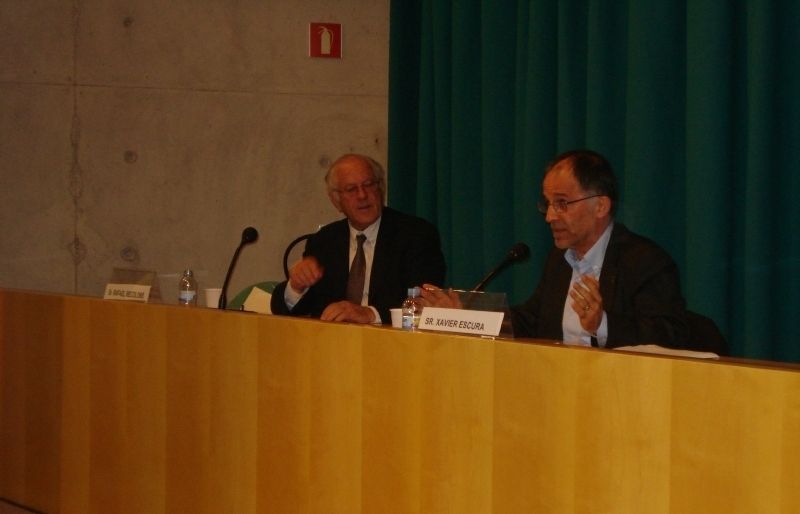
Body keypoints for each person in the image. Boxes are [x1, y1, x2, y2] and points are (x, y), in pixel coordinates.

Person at [421, 149, 688, 348]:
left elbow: (670, 335)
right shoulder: (560, 259)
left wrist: (601, 324)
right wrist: (467, 316)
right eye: (547, 204)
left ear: (601, 206)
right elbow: (531, 320)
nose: (550, 216)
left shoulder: (644, 260)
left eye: (562, 203)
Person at [271, 153, 446, 324]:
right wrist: (296, 286)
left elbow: (423, 303)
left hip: (393, 345)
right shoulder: (324, 241)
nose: (362, 195)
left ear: (381, 188)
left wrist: (370, 314)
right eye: (351, 189)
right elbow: (286, 309)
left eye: (369, 185)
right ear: (336, 200)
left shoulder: (416, 235)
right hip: (332, 345)